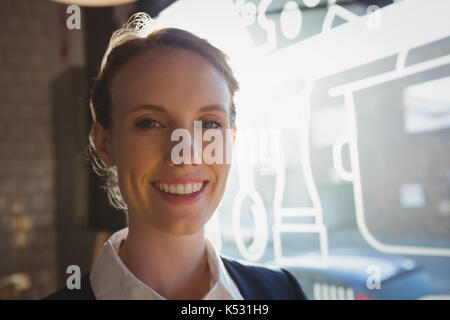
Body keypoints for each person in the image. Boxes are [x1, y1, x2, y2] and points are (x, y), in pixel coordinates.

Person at [44, 13, 307, 300]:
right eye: (150, 123)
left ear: (231, 141)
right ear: (105, 143)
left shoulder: (283, 291)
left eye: (209, 123)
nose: (185, 155)